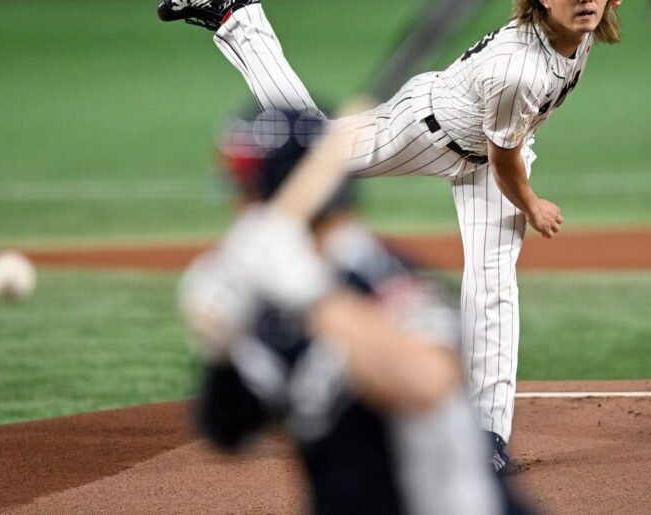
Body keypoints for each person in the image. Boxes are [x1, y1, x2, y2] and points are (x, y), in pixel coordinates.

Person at [158, 0, 628, 473]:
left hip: (499, 143)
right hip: (432, 128)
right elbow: (503, 164)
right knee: (318, 153)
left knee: (494, 281)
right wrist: (533, 205)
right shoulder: (516, 70)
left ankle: (489, 438)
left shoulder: (577, 3)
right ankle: (241, 17)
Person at [178, 107, 535, 514]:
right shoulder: (273, 298)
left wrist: (312, 293)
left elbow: (427, 383)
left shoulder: (386, 277)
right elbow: (230, 431)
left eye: (245, 192)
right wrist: (220, 346)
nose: (238, 210)